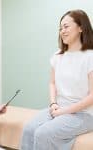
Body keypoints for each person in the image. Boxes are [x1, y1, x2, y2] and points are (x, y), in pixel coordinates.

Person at [20, 9, 93, 150]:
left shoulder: (90, 56)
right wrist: (53, 104)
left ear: (80, 28)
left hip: (84, 114)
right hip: (58, 107)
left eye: (66, 26)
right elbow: (52, 83)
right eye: (60, 28)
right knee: (29, 129)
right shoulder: (57, 56)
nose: (62, 31)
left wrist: (63, 112)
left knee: (43, 134)